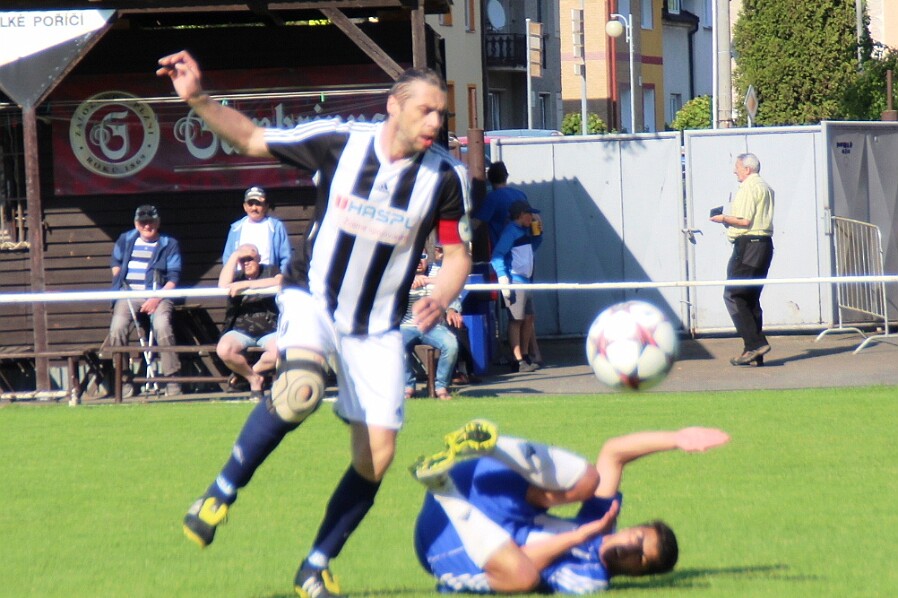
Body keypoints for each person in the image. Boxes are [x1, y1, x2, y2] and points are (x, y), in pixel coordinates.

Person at [158, 51, 472, 598]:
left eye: (441, 114)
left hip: (377, 327)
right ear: (393, 106)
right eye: (426, 111)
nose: (435, 123)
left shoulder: (444, 176)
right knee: (300, 389)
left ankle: (315, 566)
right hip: (314, 301)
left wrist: (442, 289)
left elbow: (457, 253)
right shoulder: (339, 142)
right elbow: (253, 139)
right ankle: (219, 494)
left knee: (376, 459)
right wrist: (198, 99)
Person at [410, 420, 731, 594]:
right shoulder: (603, 521)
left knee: (523, 577)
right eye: (638, 537)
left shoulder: (589, 578)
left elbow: (523, 562)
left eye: (642, 557)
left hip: (452, 543)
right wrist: (677, 438)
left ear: (638, 573)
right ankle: (492, 444)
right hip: (479, 484)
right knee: (589, 480)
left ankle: (441, 487)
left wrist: (579, 537)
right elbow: (614, 452)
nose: (632, 547)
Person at [107, 204, 182, 397]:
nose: (147, 226)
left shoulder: (169, 243)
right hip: (128, 294)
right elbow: (115, 262)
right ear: (136, 223)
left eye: (151, 222)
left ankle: (172, 379)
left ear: (157, 222)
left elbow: (173, 277)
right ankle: (123, 380)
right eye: (143, 222)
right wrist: (120, 280)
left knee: (162, 326)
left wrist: (156, 299)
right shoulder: (126, 239)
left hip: (159, 293)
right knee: (117, 328)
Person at [710, 153, 774, 366]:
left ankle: (755, 343)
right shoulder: (765, 187)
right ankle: (753, 351)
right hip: (764, 246)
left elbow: (745, 221)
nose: (734, 171)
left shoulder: (748, 187)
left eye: (737, 167)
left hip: (748, 247)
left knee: (734, 295)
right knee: (751, 298)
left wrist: (723, 219)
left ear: (747, 169)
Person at [216, 243, 282, 401]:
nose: (246, 262)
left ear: (258, 259)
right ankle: (253, 379)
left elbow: (279, 281)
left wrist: (246, 285)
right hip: (240, 330)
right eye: (242, 259)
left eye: (250, 259)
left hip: (270, 329)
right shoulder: (236, 276)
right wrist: (234, 256)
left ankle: (253, 373)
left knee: (280, 351)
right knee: (224, 349)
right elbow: (222, 284)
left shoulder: (270, 270)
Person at [490, 199, 543, 373]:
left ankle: (525, 355)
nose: (533, 217)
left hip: (527, 281)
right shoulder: (510, 232)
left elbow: (532, 248)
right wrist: (503, 277)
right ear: (520, 215)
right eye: (529, 214)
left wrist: (538, 234)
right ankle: (518, 359)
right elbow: (497, 254)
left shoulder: (524, 231)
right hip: (515, 281)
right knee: (516, 320)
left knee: (529, 318)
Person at [401, 251, 458, 400]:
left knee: (451, 345)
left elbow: (451, 286)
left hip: (433, 326)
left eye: (423, 257)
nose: (419, 260)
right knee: (394, 345)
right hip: (406, 325)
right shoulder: (400, 272)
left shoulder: (438, 271)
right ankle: (408, 385)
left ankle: (441, 386)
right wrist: (408, 282)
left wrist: (452, 310)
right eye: (415, 256)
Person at [430, 244, 479, 385]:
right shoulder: (411, 273)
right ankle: (452, 373)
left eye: (441, 249)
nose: (439, 252)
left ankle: (466, 371)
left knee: (457, 324)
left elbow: (452, 295)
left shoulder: (444, 271)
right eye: (437, 249)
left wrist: (452, 310)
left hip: (440, 315)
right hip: (416, 319)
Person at [222, 185, 292, 273]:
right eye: (250, 204)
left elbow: (286, 258)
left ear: (266, 206)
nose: (254, 208)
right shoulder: (235, 229)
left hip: (269, 278)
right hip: (240, 279)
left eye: (258, 204)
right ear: (245, 207)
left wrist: (281, 278)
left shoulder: (276, 227)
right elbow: (228, 258)